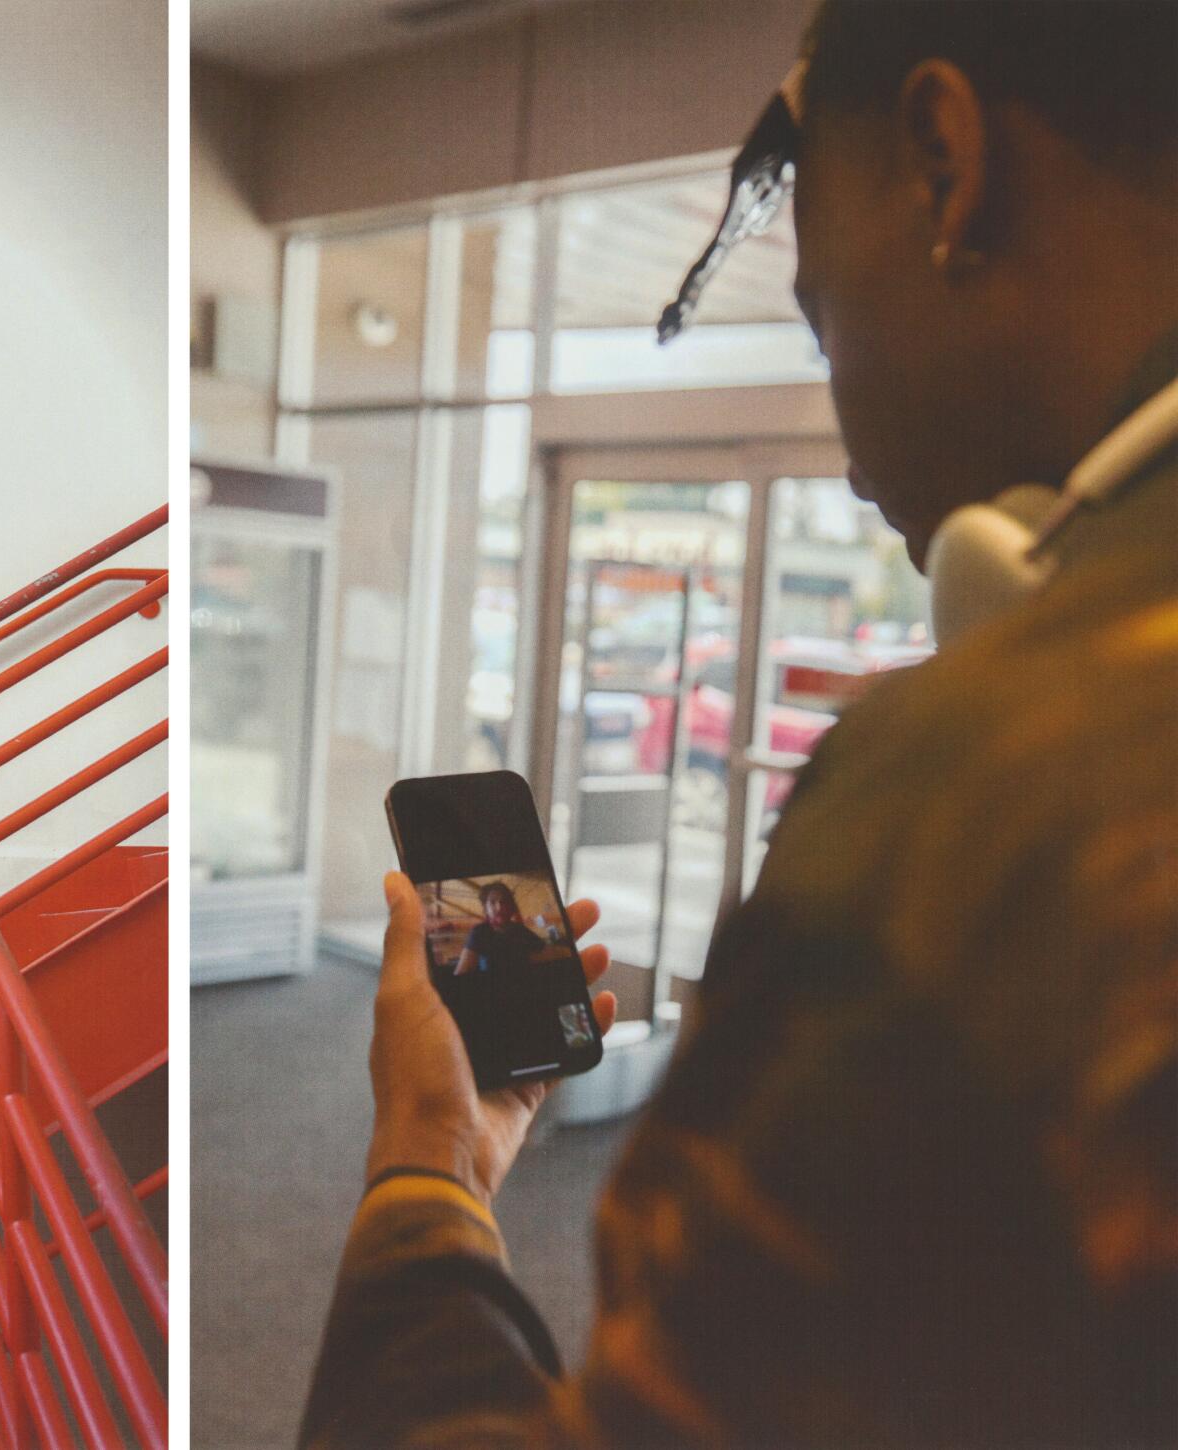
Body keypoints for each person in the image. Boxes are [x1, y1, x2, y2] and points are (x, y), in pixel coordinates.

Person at [301, 2, 1177, 1445]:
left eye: (822, 312)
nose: (844, 452)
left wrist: (425, 1157)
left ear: (946, 162)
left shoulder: (983, 796)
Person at [453, 881, 551, 976]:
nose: (499, 907)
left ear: (511, 907)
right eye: (492, 902)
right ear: (485, 909)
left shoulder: (520, 930)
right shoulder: (480, 932)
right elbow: (461, 972)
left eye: (504, 902)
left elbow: (546, 951)